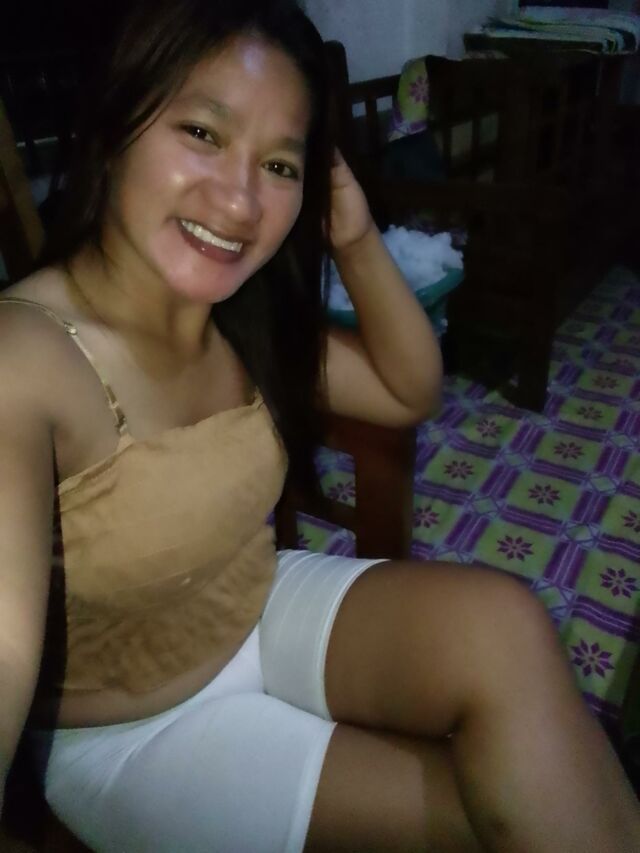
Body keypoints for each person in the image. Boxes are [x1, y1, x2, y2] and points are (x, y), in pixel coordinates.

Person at [0, 1, 638, 850]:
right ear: (115, 123)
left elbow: (410, 389)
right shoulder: (27, 356)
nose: (238, 200)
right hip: (135, 732)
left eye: (279, 164)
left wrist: (356, 231)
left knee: (508, 629)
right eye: (202, 132)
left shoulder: (237, 316)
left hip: (258, 605)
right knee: (488, 810)